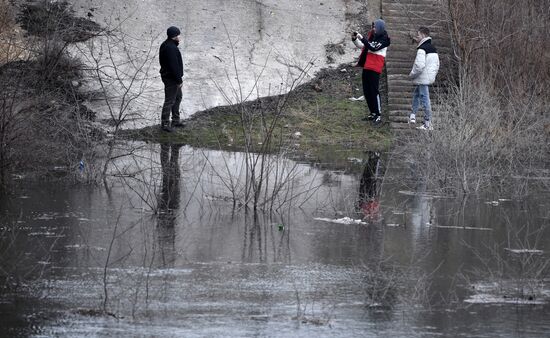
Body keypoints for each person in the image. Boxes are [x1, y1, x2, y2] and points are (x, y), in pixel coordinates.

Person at [352, 19, 390, 124]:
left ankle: (378, 114)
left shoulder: (385, 39)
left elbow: (373, 48)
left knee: (374, 91)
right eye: (372, 27)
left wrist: (362, 38)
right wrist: (355, 39)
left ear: (380, 28)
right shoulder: (372, 36)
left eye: (375, 27)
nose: (373, 29)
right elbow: (364, 46)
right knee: (367, 91)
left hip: (375, 68)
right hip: (367, 66)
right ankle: (372, 113)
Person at [408, 26, 440, 130]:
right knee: (417, 95)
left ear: (423, 35)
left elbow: (419, 66)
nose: (416, 37)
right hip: (428, 76)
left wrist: (412, 75)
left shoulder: (422, 49)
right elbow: (437, 65)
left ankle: (428, 123)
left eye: (418, 35)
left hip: (423, 77)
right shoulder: (433, 48)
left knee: (425, 99)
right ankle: (412, 115)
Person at [159, 26, 185, 132]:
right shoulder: (171, 48)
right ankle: (165, 124)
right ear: (174, 37)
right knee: (170, 100)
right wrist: (179, 80)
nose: (179, 37)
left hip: (169, 76)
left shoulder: (166, 44)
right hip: (171, 78)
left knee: (178, 97)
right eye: (178, 35)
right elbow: (174, 66)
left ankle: (175, 120)